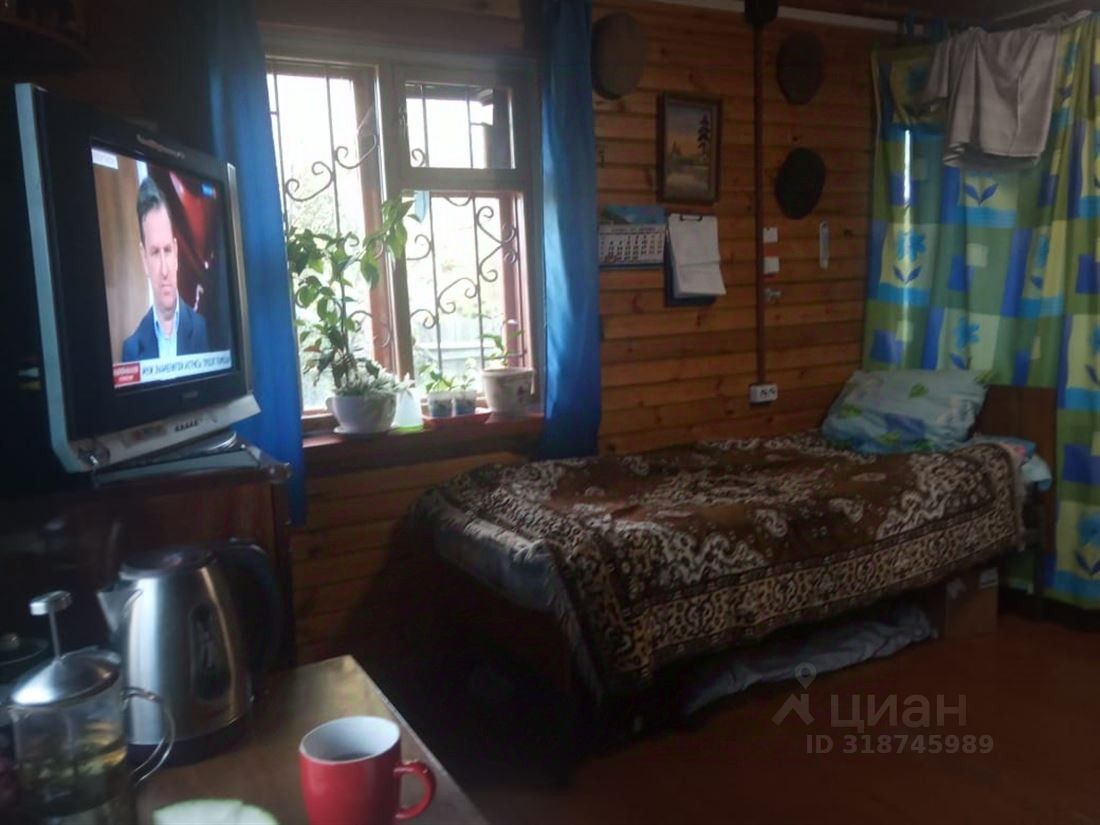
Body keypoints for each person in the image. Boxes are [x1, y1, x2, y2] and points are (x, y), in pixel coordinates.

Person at [121, 177, 209, 362]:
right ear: (144, 259)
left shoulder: (204, 330)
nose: (164, 270)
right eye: (154, 252)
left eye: (167, 250)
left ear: (176, 253)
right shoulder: (131, 350)